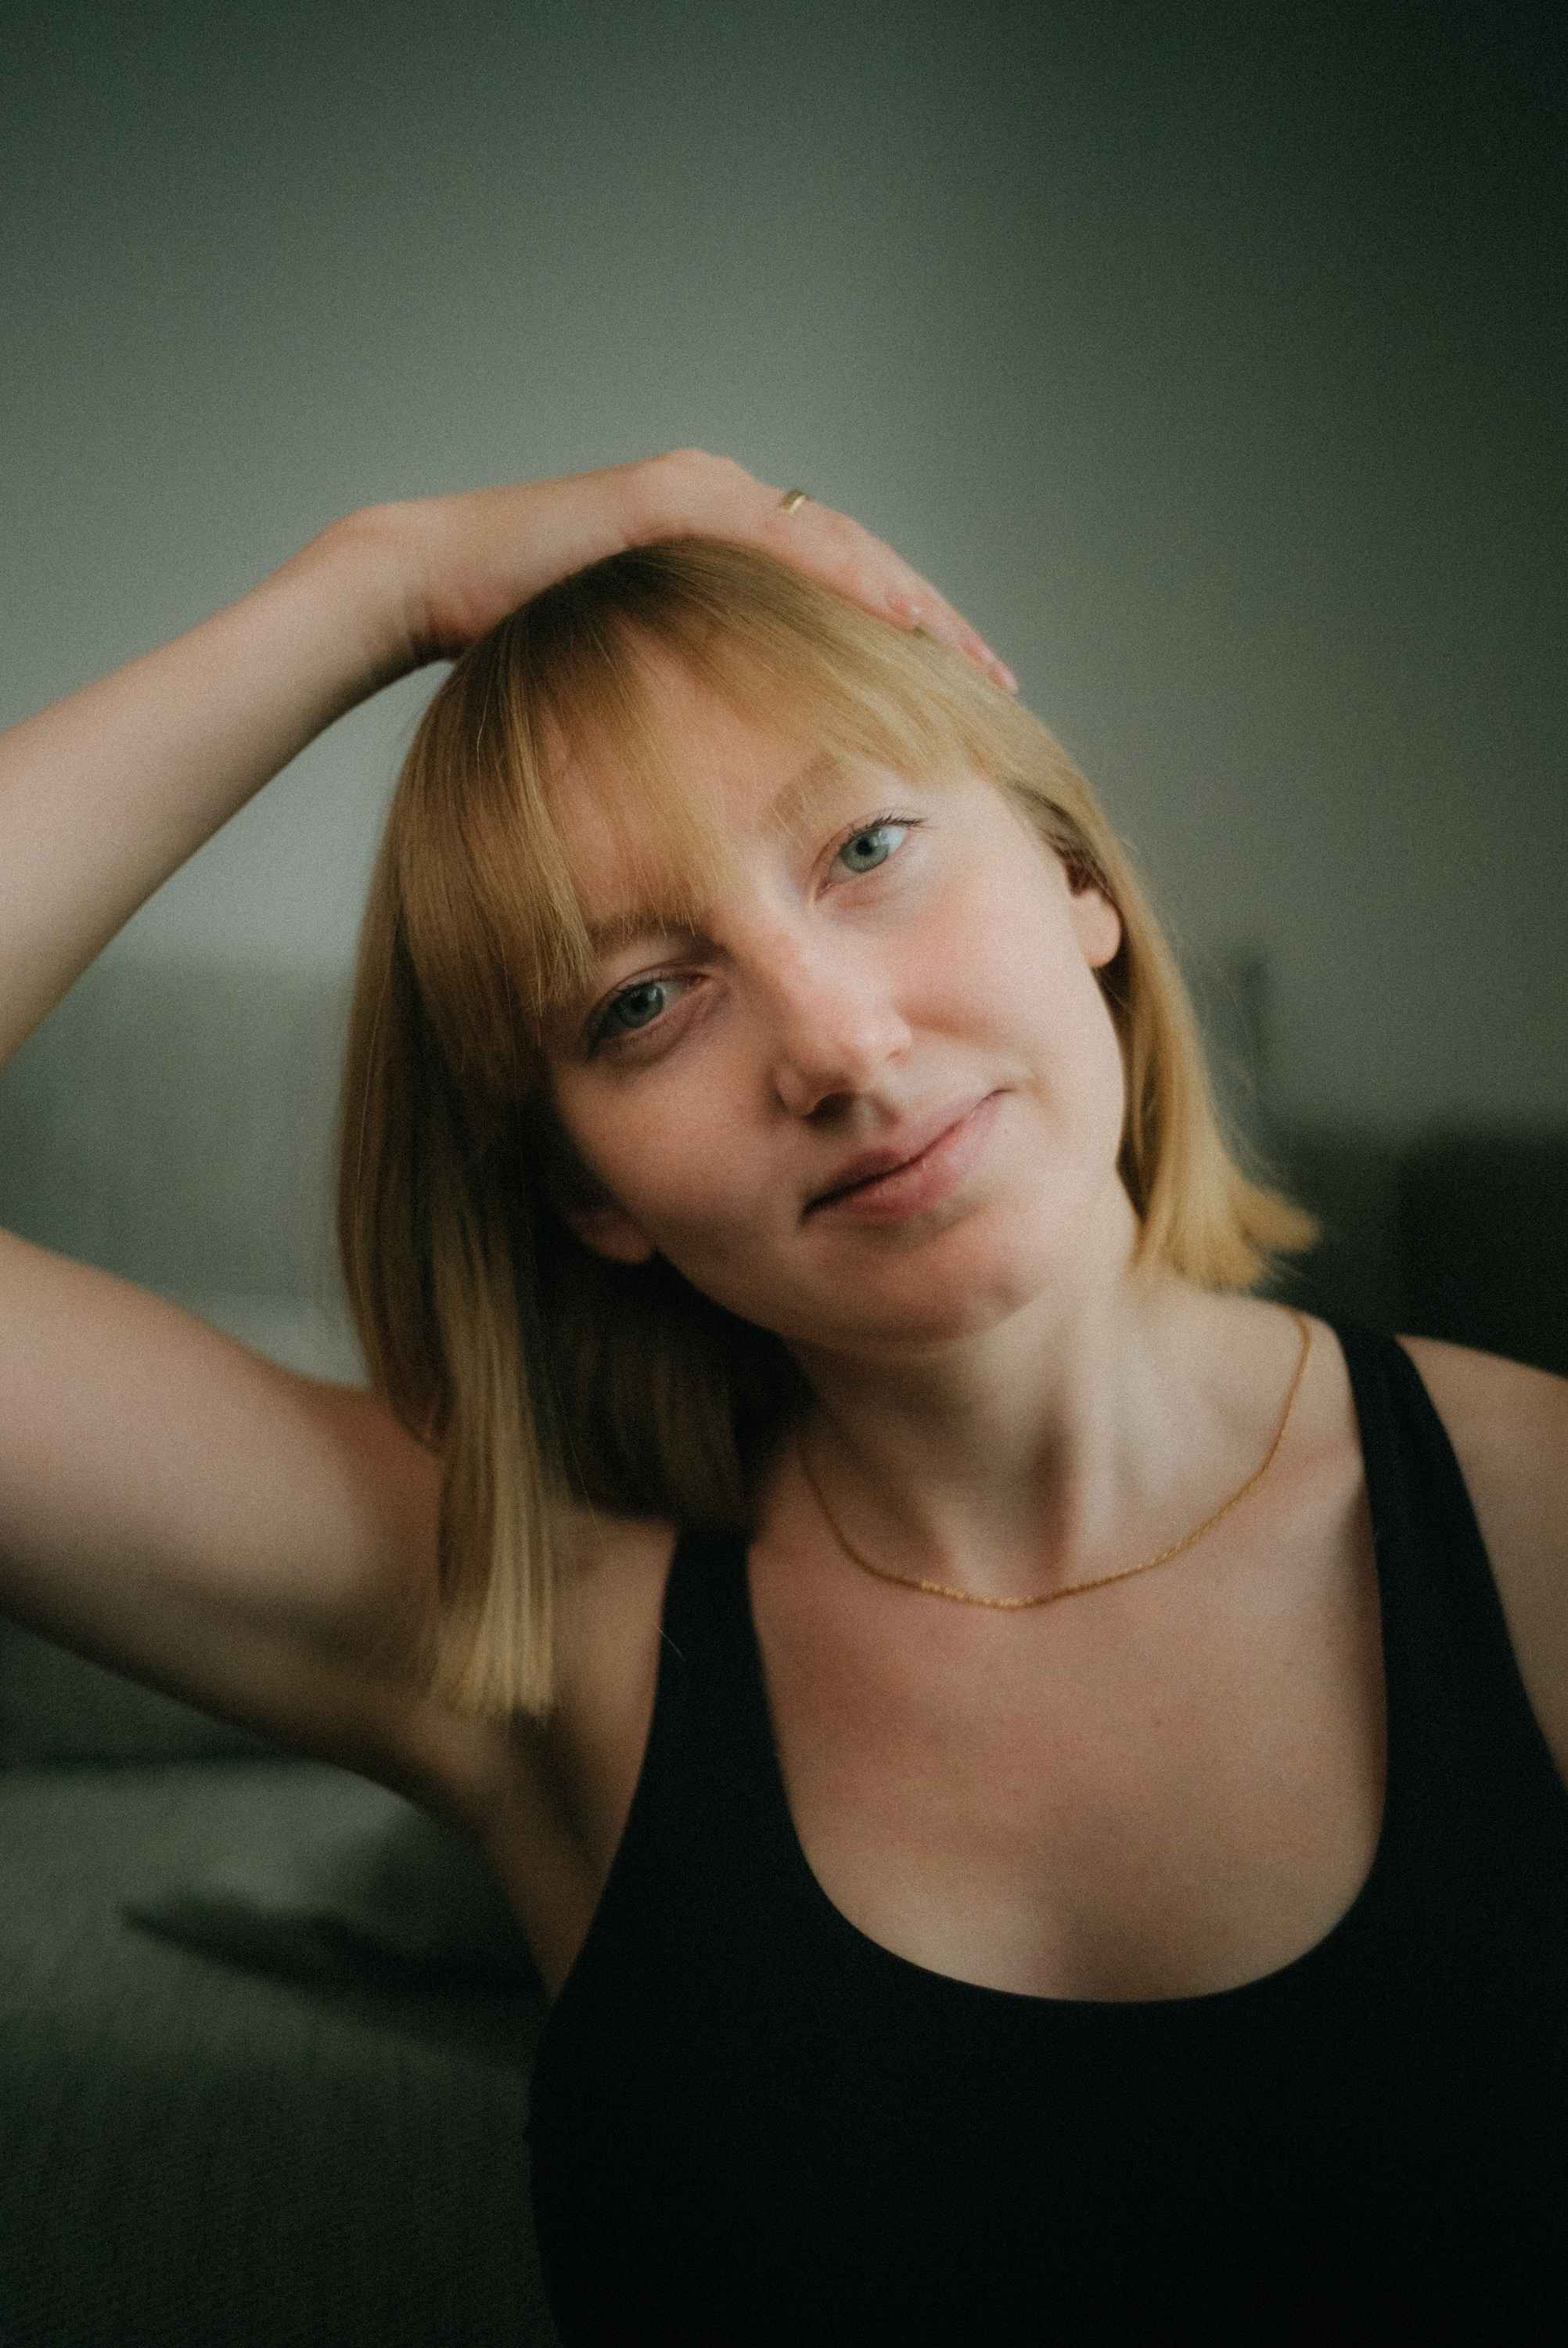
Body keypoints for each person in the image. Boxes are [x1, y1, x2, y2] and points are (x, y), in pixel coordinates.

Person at [2, 449, 1565, 2339]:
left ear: (1075, 879)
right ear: (589, 1195)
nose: (837, 1044)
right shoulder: (554, 1637)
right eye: (643, 1004)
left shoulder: (1543, 1522)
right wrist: (380, 584)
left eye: (868, 850)